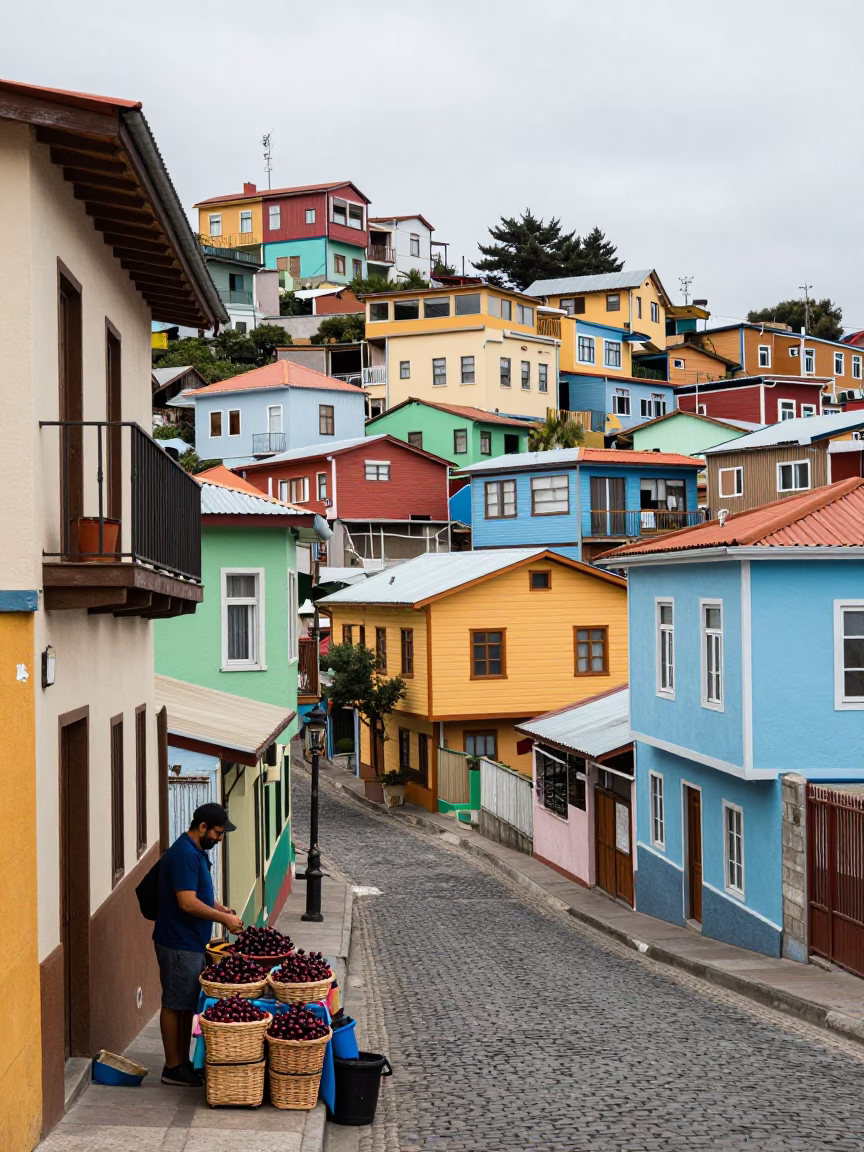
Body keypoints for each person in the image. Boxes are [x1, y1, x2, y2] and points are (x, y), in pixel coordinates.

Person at [153, 802, 243, 1086]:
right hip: (178, 942)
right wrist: (223, 920)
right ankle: (172, 1066)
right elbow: (186, 901)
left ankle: (182, 1062)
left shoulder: (196, 852)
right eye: (217, 832)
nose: (219, 838)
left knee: (184, 1005)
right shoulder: (184, 855)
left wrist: (219, 908)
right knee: (174, 1003)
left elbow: (197, 893)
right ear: (202, 827)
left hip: (189, 941)